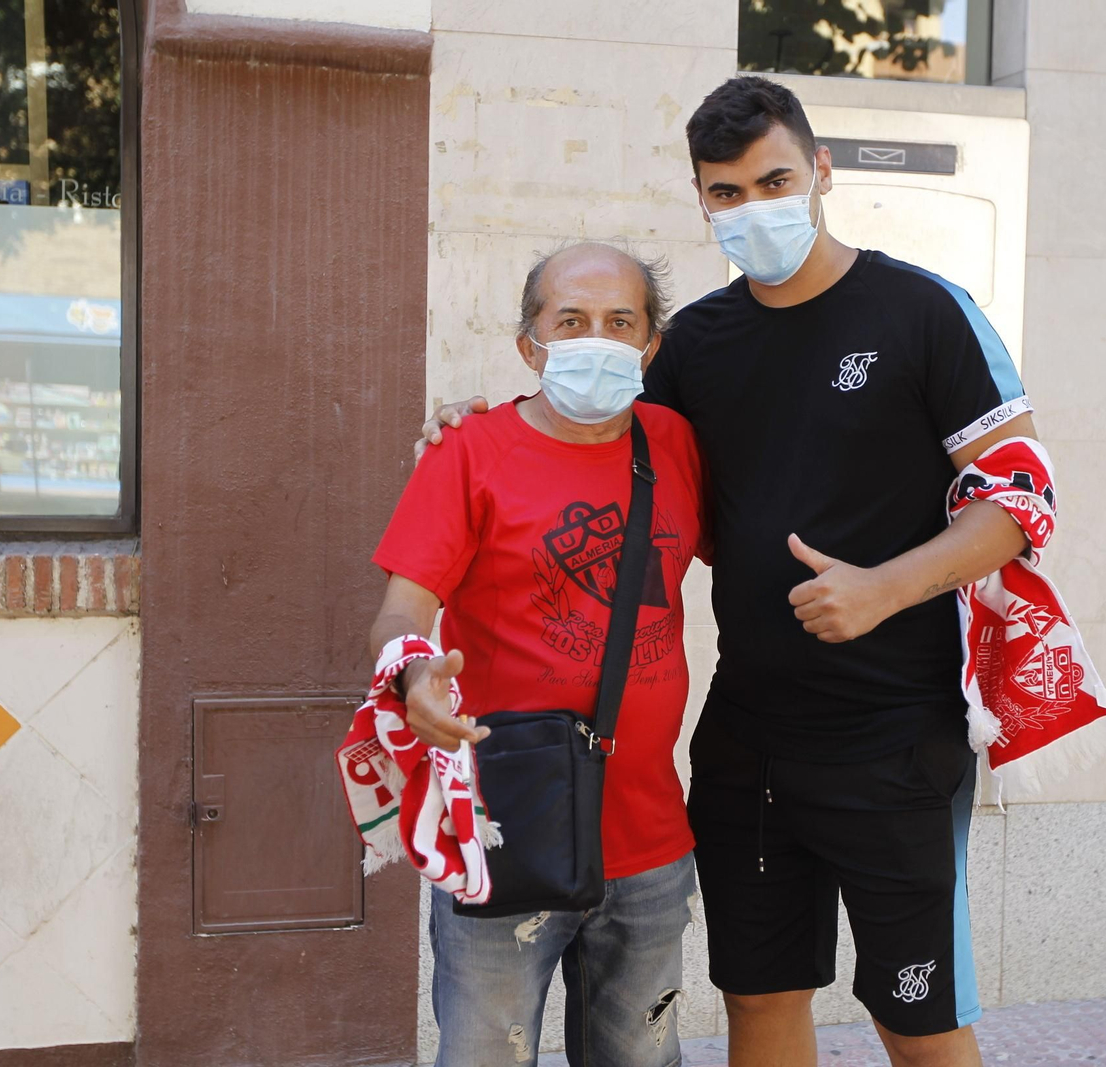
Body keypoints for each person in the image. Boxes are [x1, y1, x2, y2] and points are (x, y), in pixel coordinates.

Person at [419, 77, 1044, 1067]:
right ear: (703, 200)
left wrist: (885, 586)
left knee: (917, 1021)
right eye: (726, 191)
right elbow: (590, 434)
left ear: (821, 170)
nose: (754, 207)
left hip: (894, 739)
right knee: (757, 1002)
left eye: (774, 179)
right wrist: (472, 420)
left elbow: (1023, 496)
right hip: (746, 744)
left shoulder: (925, 310)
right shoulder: (695, 344)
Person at [367, 241, 709, 1067]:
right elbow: (401, 607)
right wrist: (415, 674)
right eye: (572, 321)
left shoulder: (675, 443)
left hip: (654, 850)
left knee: (648, 1057)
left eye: (620, 322)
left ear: (650, 345)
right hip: (502, 837)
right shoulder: (469, 450)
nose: (598, 338)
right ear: (531, 344)